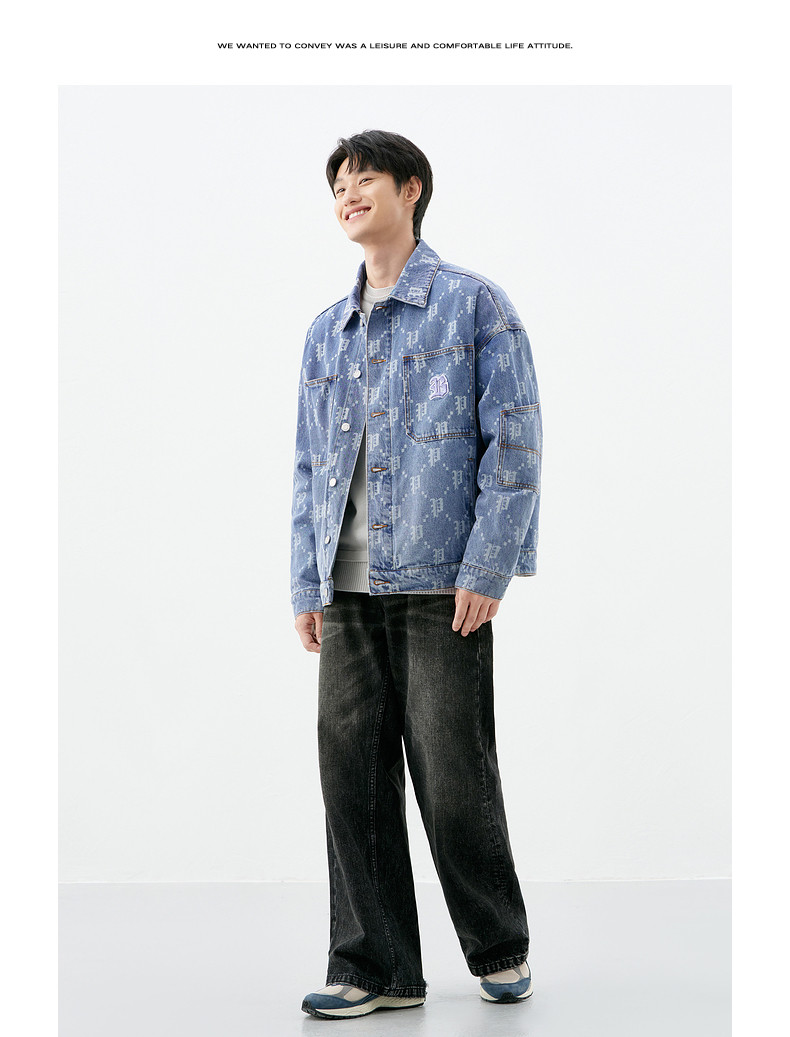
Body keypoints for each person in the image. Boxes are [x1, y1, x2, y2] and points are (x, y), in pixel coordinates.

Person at [290, 129, 542, 1021]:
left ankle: (499, 945)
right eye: (338, 186)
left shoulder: (474, 305)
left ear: (413, 189)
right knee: (351, 778)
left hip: (442, 582)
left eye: (365, 179)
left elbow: (515, 441)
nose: (348, 195)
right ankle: (376, 966)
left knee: (454, 773)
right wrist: (306, 583)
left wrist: (490, 563)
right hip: (348, 590)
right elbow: (308, 467)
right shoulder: (326, 331)